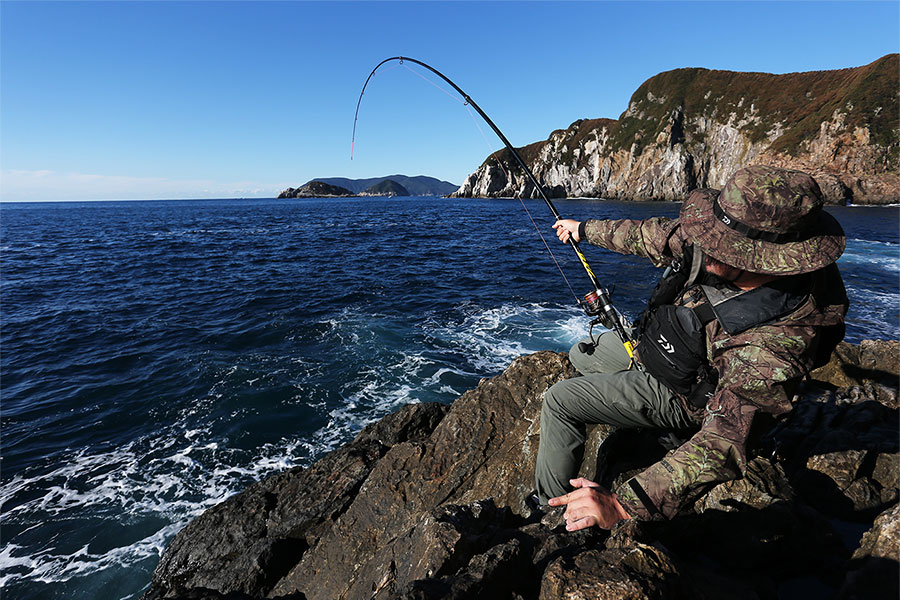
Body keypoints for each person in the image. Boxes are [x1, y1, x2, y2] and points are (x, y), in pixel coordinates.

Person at [534, 165, 848, 531]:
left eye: (727, 248)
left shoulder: (780, 338)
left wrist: (622, 505)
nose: (707, 246)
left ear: (768, 260)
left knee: (559, 401)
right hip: (666, 349)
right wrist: (583, 230)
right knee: (581, 352)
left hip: (687, 394)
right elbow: (655, 236)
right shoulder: (718, 242)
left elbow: (726, 439)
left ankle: (551, 512)